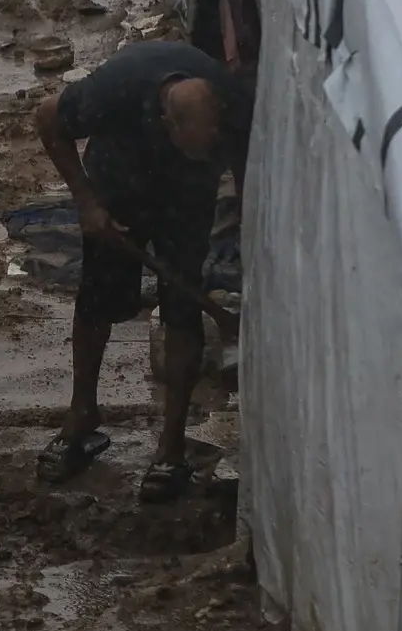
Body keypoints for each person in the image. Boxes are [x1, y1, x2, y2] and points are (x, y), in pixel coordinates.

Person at [31, 39, 246, 503]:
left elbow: (246, 160)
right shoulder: (114, 91)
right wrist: (87, 203)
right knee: (97, 302)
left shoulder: (228, 97)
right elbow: (48, 118)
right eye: (192, 147)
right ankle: (82, 416)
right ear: (166, 120)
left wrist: (248, 217)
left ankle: (170, 450)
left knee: (183, 309)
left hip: (186, 202)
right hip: (118, 186)